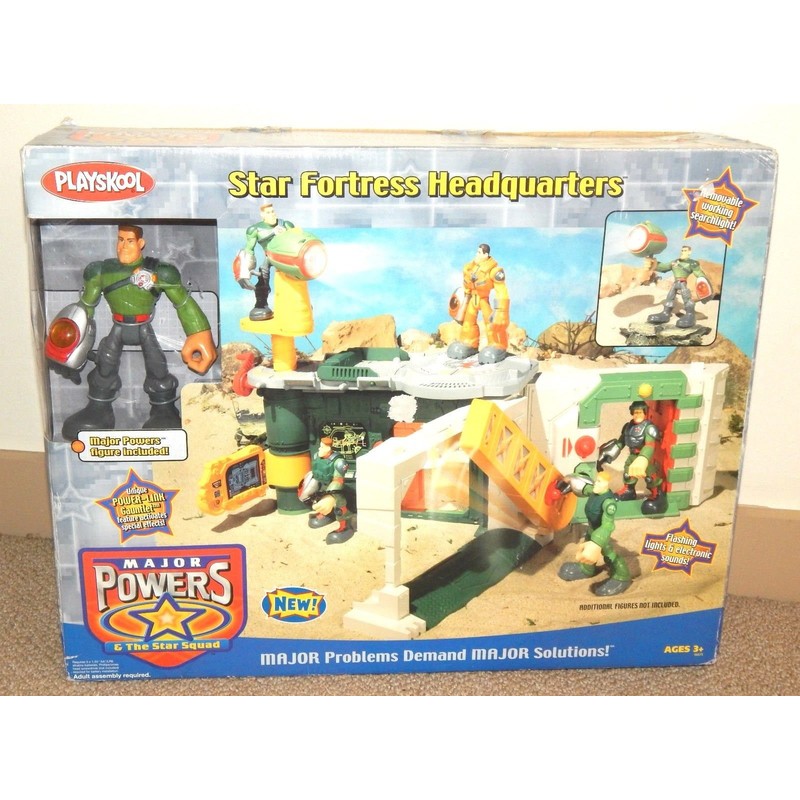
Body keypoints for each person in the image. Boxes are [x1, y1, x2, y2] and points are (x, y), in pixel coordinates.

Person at [50, 224, 217, 439]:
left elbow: (183, 302)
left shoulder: (159, 271)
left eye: (129, 241)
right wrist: (65, 344)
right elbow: (84, 308)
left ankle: (163, 410)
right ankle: (98, 409)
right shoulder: (102, 271)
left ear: (141, 243)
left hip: (143, 326)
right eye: (120, 240)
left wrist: (199, 332)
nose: (123, 246)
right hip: (118, 326)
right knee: (105, 365)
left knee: (157, 367)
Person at [557, 469, 632, 596]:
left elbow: (608, 525)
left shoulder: (608, 503)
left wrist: (597, 542)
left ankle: (622, 575)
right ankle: (587, 568)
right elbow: (584, 488)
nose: (596, 483)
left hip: (601, 533)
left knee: (608, 553)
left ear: (606, 484)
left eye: (599, 482)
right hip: (592, 529)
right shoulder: (595, 490)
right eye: (596, 481)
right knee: (586, 547)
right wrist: (571, 481)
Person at [597, 400, 667, 515]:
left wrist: (643, 458)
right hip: (632, 455)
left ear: (645, 413)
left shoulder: (648, 428)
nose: (637, 415)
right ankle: (629, 491)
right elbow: (621, 442)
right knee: (627, 473)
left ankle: (657, 493)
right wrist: (608, 453)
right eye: (635, 412)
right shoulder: (628, 427)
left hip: (644, 457)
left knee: (650, 476)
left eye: (640, 412)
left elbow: (650, 445)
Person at [447, 243, 510, 363]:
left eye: (479, 252)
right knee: (468, 322)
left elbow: (501, 291)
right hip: (472, 299)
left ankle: (497, 345)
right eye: (477, 252)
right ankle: (469, 342)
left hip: (483, 300)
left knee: (491, 322)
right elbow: (467, 285)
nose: (477, 254)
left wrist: (501, 311)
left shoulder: (494, 271)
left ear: (486, 255)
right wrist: (464, 300)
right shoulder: (470, 268)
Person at [234, 203, 295, 321]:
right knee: (262, 275)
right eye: (268, 212)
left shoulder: (286, 225)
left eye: (273, 211)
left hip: (287, 257)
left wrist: (286, 235)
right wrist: (242, 272)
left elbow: (297, 241)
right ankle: (261, 304)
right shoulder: (255, 230)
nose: (272, 214)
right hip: (270, 257)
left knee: (293, 277)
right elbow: (249, 250)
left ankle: (296, 301)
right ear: (262, 215)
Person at [304, 437, 355, 545]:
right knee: (319, 500)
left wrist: (331, 496)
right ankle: (327, 514)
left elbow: (338, 480)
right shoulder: (317, 457)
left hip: (336, 489)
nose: (319, 449)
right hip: (323, 485)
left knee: (340, 507)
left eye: (322, 447)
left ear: (329, 448)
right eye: (320, 446)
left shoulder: (339, 462)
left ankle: (345, 526)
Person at [646, 244, 710, 328]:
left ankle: (690, 315)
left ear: (689, 252)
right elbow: (663, 267)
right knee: (669, 297)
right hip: (675, 283)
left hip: (683, 283)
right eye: (682, 250)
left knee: (687, 298)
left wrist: (703, 281)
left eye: (685, 251)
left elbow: (699, 273)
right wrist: (653, 263)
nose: (683, 252)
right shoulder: (675, 262)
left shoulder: (692, 263)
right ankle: (665, 313)